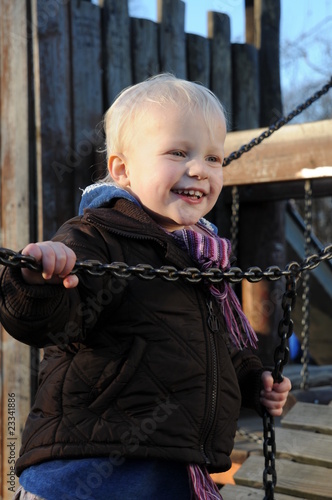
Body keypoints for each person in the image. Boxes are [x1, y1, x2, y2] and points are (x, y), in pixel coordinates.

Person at [0, 74, 291, 500]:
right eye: (178, 152)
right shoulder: (95, 235)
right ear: (122, 170)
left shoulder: (202, 258)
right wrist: (37, 278)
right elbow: (44, 321)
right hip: (88, 467)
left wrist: (253, 379)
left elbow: (208, 348)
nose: (199, 169)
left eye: (214, 158)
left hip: (171, 468)